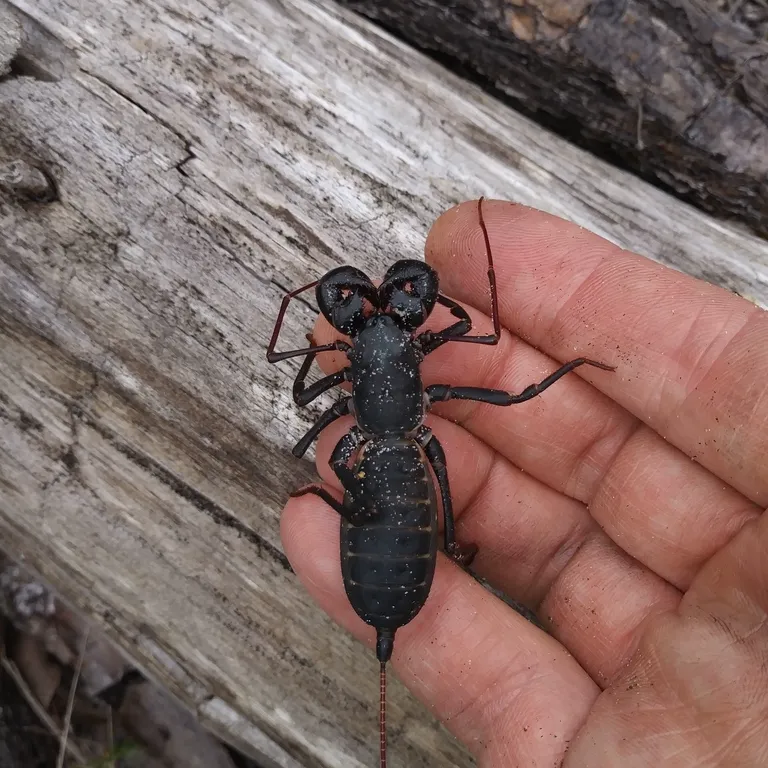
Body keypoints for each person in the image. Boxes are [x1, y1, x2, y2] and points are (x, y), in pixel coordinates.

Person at [282, 199, 768, 766]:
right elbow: (472, 336)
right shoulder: (420, 362)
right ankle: (445, 542)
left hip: (374, 464)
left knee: (355, 467)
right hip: (400, 464)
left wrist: (318, 346)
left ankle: (415, 532)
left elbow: (305, 398)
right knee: (434, 464)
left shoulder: (348, 386)